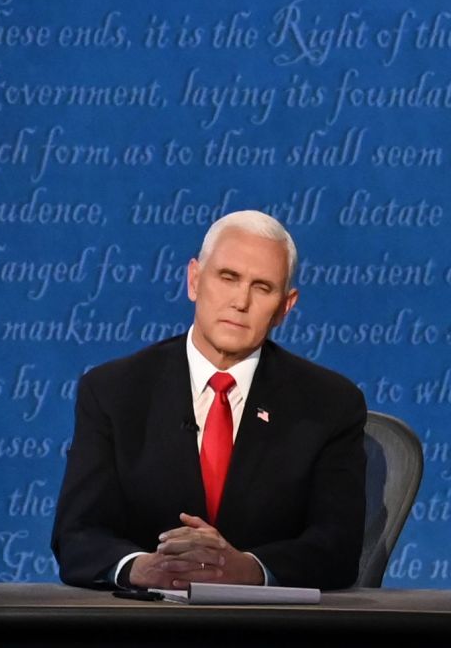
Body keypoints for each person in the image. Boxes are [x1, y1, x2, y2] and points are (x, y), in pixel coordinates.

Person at [51, 210, 366, 591]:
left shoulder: (329, 405)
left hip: (272, 636)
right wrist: (144, 568)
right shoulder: (114, 391)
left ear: (286, 306)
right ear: (195, 280)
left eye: (262, 287)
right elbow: (77, 536)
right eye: (228, 278)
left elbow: (337, 547)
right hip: (143, 632)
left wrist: (245, 569)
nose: (241, 301)